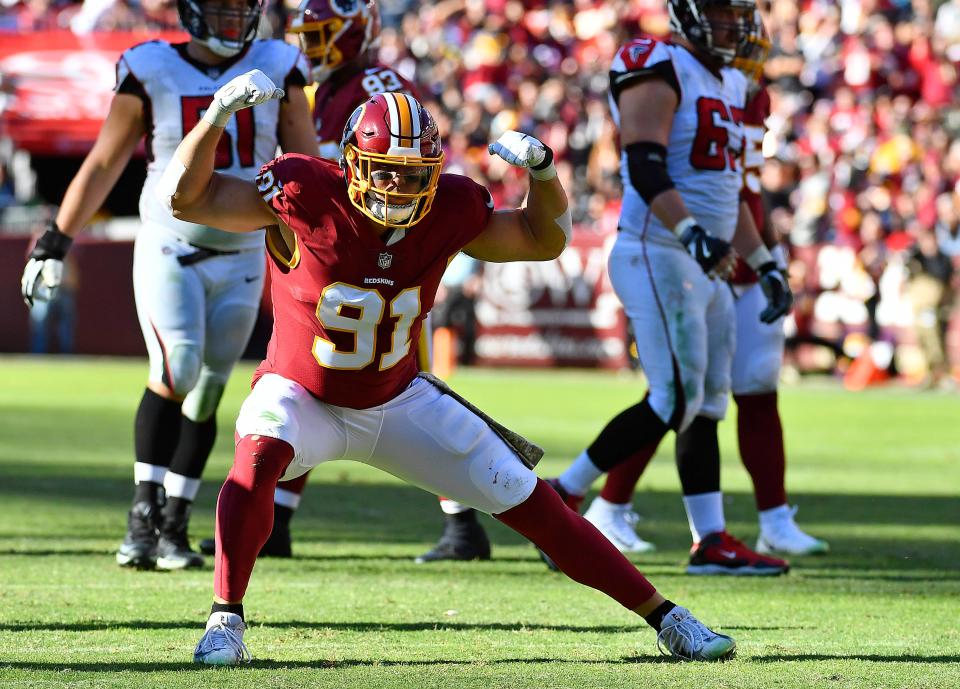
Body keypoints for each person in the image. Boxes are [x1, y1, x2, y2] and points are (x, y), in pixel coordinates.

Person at [162, 73, 738, 664]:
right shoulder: (304, 190)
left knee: (535, 503)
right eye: (385, 170)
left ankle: (668, 619)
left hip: (397, 398)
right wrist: (214, 116)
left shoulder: (449, 207)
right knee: (257, 453)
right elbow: (186, 199)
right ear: (352, 163)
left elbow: (545, 240)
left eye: (413, 174)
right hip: (302, 390)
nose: (398, 186)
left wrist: (543, 174)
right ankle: (225, 620)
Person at [20, 0, 319, 571]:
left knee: (209, 390)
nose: (233, 22)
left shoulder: (281, 62)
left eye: (242, 10)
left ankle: (175, 521)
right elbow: (106, 160)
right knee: (176, 367)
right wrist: (57, 238)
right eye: (221, 9)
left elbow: (306, 160)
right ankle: (143, 514)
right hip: (169, 244)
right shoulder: (150, 64)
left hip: (244, 252)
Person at [543, 0, 793, 575]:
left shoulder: (729, 81)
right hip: (658, 250)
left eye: (738, 15)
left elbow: (725, 196)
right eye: (722, 14)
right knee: (674, 398)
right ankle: (565, 492)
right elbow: (645, 165)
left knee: (705, 403)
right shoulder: (655, 61)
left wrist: (766, 262)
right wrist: (693, 235)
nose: (736, 26)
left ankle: (711, 541)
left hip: (705, 256)